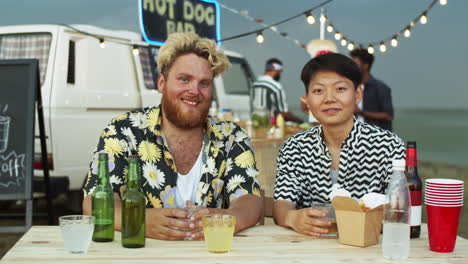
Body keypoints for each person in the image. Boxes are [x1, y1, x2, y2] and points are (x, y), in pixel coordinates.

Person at [82, 32, 263, 240]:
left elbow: (250, 200)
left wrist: (228, 218)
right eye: (184, 79)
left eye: (204, 83)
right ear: (161, 83)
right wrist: (138, 219)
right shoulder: (124, 130)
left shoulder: (232, 137)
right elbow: (94, 200)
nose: (194, 90)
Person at [273, 53, 405, 237]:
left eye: (340, 89)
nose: (329, 98)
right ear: (307, 100)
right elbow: (281, 204)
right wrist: (291, 218)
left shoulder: (389, 146)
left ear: (357, 94)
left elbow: (400, 210)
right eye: (318, 91)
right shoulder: (293, 148)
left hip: (371, 249)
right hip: (310, 248)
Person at [350, 48, 394, 131]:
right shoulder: (351, 87)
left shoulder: (380, 88)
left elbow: (388, 116)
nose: (352, 67)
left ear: (365, 65)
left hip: (376, 138)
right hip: (354, 137)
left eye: (355, 64)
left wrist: (361, 112)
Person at [252, 58, 303, 123]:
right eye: (280, 71)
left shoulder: (254, 84)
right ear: (276, 70)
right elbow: (283, 113)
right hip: (269, 126)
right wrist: (300, 121)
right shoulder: (275, 86)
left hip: (254, 123)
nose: (280, 74)